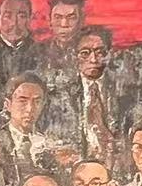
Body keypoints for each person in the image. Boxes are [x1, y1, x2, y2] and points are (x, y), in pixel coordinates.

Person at [51, 25, 134, 171]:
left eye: (100, 52)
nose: (93, 59)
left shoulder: (125, 92)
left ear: (109, 55)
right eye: (85, 53)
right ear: (74, 56)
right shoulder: (60, 94)